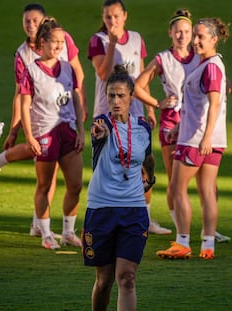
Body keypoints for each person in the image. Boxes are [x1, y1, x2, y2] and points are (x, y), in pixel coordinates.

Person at [0, 3, 86, 239]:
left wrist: (81, 124)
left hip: (66, 125)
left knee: (73, 183)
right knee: (45, 180)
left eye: (35, 20)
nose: (31, 25)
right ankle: (43, 229)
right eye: (26, 21)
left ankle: (63, 230)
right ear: (42, 43)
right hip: (43, 124)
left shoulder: (64, 54)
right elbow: (21, 97)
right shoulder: (25, 59)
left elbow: (76, 87)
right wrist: (18, 130)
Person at [135, 8, 230, 243]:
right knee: (176, 181)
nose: (183, 36)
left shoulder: (203, 59)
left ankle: (198, 235)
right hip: (175, 124)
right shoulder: (165, 59)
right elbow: (137, 85)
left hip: (198, 126)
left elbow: (214, 94)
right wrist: (157, 103)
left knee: (202, 184)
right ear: (170, 33)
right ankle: (182, 230)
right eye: (178, 32)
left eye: (188, 32)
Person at [88, 0, 168, 235]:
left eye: (115, 16)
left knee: (143, 163)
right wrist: (112, 43)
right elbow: (103, 73)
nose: (112, 21)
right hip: (106, 114)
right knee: (106, 166)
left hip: (134, 113)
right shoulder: (98, 40)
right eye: (107, 17)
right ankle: (105, 216)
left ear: (125, 16)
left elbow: (142, 77)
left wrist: (150, 108)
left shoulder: (136, 38)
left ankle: (145, 217)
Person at [82, 64, 155, 311]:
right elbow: (98, 132)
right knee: (104, 281)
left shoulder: (143, 127)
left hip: (134, 209)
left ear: (131, 97)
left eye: (121, 95)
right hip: (102, 208)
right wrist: (99, 133)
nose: (115, 101)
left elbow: (147, 157)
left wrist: (150, 177)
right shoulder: (102, 124)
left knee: (127, 277)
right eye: (111, 95)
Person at [20, 18, 85, 250]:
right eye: (54, 42)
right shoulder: (32, 71)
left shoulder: (67, 67)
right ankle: (46, 233)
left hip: (67, 132)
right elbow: (24, 104)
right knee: (44, 185)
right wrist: (29, 137)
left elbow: (75, 97)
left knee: (75, 184)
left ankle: (68, 232)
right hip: (44, 133)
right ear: (42, 43)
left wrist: (81, 130)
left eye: (61, 42)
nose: (58, 46)